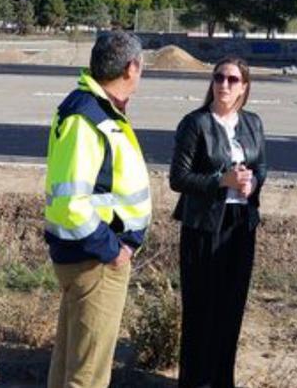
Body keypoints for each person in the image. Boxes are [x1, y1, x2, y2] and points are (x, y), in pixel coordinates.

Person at [44, 30, 152, 388]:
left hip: (86, 257)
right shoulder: (88, 117)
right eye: (141, 67)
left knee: (68, 369)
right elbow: (73, 202)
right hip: (95, 261)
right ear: (131, 68)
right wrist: (113, 251)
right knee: (88, 377)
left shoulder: (96, 108)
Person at [169, 56, 268, 388]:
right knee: (201, 307)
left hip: (240, 225)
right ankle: (195, 380)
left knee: (231, 306)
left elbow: (262, 168)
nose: (224, 84)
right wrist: (220, 181)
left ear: (244, 87)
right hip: (203, 225)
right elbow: (179, 178)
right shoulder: (195, 123)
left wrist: (252, 183)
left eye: (232, 80)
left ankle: (222, 379)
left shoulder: (253, 123)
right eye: (219, 77)